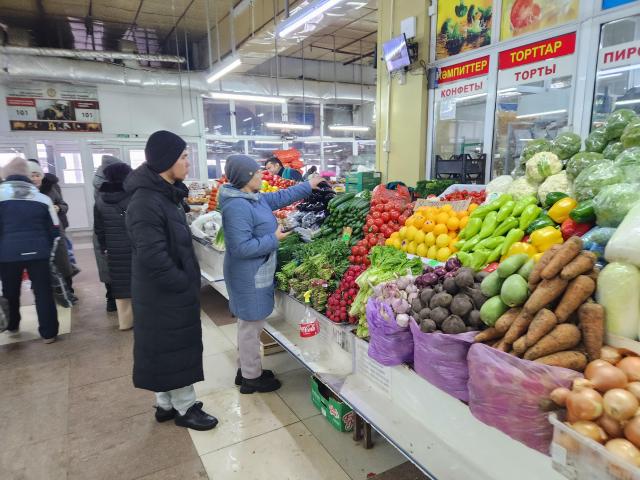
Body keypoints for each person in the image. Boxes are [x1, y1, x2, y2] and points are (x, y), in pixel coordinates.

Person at [125, 130, 217, 431]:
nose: (188, 163)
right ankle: (186, 408)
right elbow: (153, 256)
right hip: (162, 292)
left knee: (163, 347)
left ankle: (165, 404)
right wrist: (181, 283)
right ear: (166, 161)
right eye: (183, 157)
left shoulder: (165, 193)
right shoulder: (145, 202)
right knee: (176, 347)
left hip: (162, 290)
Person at [219, 154, 323, 394]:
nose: (261, 175)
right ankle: (251, 378)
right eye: (256, 172)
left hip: (255, 270)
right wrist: (273, 239)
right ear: (245, 178)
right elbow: (240, 248)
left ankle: (246, 368)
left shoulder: (252, 197)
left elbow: (279, 196)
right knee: (250, 325)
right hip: (247, 275)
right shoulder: (237, 206)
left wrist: (308, 185)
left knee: (250, 324)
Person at [0, 157, 59, 343]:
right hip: (39, 252)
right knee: (43, 292)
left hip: (7, 254)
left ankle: (13, 325)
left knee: (10, 291)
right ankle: (48, 333)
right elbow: (54, 229)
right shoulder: (42, 198)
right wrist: (48, 249)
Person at [28, 160, 78, 301]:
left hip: (56, 232)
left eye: (37, 175)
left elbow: (63, 205)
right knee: (41, 266)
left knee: (63, 263)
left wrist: (59, 208)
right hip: (36, 235)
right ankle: (47, 294)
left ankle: (68, 291)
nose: (35, 178)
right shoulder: (23, 192)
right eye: (32, 175)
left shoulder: (50, 188)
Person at [94, 163, 134, 331]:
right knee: (138, 281)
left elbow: (99, 229)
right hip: (134, 245)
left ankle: (125, 322)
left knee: (120, 284)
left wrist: (105, 247)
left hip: (114, 247)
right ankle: (144, 319)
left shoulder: (100, 200)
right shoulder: (134, 196)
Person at [93, 155, 121, 312]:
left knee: (107, 265)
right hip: (114, 227)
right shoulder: (110, 185)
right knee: (118, 266)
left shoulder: (98, 182)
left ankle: (111, 298)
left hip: (103, 229)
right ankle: (115, 298)